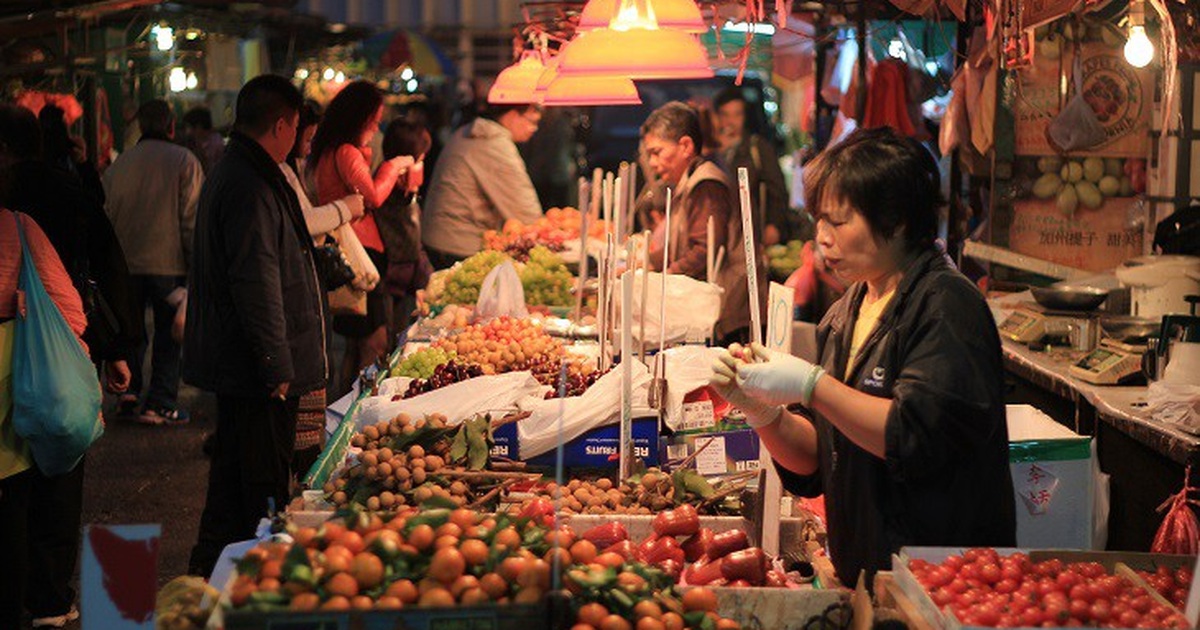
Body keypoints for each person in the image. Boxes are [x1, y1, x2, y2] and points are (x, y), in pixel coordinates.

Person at [709, 127, 1015, 583]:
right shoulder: (847, 311)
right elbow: (818, 459)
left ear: (896, 220)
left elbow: (912, 436)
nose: (822, 239)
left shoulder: (947, 306)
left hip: (942, 583)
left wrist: (814, 385)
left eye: (839, 221)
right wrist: (761, 412)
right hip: (869, 575)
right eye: (818, 221)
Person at [0, 103, 138, 628]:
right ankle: (52, 602)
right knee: (52, 479)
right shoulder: (20, 224)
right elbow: (71, 309)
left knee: (10, 495)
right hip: (31, 368)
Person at [183, 75, 325, 578]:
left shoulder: (242, 169)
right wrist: (276, 363)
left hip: (243, 363)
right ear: (283, 124)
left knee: (230, 483)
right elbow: (256, 277)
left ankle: (208, 577)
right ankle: (248, 582)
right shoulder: (249, 182)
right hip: (255, 369)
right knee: (259, 486)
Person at [0, 206, 89, 629]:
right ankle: (37, 604)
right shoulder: (18, 226)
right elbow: (70, 309)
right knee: (25, 494)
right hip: (17, 371)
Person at [309, 81, 413, 395]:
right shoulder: (345, 151)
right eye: (374, 119)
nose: (376, 125)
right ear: (360, 118)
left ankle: (345, 408)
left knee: (357, 344)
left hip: (353, 250)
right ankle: (358, 409)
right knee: (374, 340)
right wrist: (391, 168)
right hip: (360, 252)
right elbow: (374, 197)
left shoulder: (330, 150)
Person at [103, 99, 204, 425]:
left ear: (141, 127)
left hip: (125, 265)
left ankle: (127, 392)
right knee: (167, 337)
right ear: (171, 126)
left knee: (131, 332)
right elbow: (191, 219)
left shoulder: (120, 163)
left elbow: (105, 215)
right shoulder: (184, 161)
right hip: (169, 265)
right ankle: (159, 403)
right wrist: (195, 267)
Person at [281, 99, 364, 477]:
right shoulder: (279, 171)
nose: (311, 145)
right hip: (293, 298)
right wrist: (348, 207)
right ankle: (300, 463)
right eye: (307, 136)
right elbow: (306, 221)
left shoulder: (290, 167)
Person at [641, 101, 761, 344]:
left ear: (685, 146)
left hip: (728, 320)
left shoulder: (706, 185)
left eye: (657, 152)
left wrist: (660, 278)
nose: (652, 163)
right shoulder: (688, 183)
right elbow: (681, 245)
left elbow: (703, 251)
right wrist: (647, 263)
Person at [421, 102, 543, 269]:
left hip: (438, 239)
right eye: (532, 121)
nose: (534, 128)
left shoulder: (467, 132)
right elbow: (526, 212)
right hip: (459, 246)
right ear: (512, 115)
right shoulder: (494, 143)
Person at [376, 119, 434, 337]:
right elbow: (406, 245)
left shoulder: (407, 195)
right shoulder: (385, 192)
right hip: (388, 286)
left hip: (403, 284)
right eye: (420, 160)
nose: (422, 166)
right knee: (384, 341)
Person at [713, 87, 791, 246]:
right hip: (718, 232)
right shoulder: (711, 150)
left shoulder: (757, 148)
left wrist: (774, 225)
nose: (731, 121)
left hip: (750, 235)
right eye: (725, 114)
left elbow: (777, 189)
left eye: (737, 114)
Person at [181, 106, 226, 173]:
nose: (187, 131)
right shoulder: (193, 141)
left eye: (189, 127)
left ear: (199, 127)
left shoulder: (216, 143)